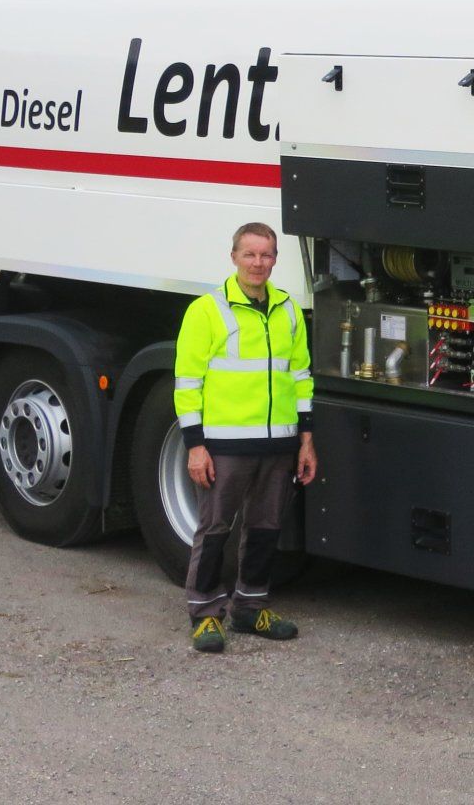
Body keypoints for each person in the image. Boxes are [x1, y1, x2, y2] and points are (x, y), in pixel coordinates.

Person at [173, 221, 318, 652]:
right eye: (250, 254)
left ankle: (250, 609)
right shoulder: (206, 311)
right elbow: (187, 383)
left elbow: (301, 378)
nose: (258, 263)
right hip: (225, 445)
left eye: (266, 254)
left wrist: (306, 440)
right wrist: (195, 446)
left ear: (275, 259)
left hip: (279, 444)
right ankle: (204, 613)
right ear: (233, 257)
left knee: (265, 529)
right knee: (215, 529)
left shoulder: (288, 310)